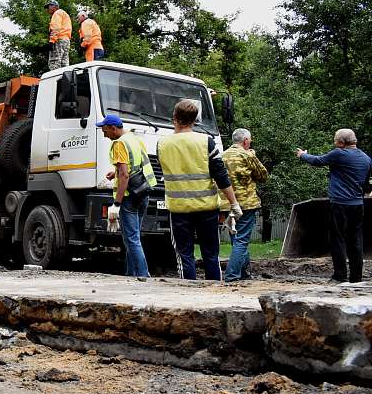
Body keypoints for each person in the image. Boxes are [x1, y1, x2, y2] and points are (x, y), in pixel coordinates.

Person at [157, 100, 242, 280]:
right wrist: (234, 203)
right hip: (207, 209)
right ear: (195, 120)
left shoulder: (162, 145)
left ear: (174, 118)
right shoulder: (206, 142)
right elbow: (221, 176)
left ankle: (188, 295)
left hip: (179, 209)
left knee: (184, 256)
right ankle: (215, 294)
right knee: (211, 255)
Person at [296, 128, 371, 283]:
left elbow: (317, 160)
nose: (334, 143)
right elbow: (365, 184)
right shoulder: (366, 158)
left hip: (340, 203)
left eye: (336, 140)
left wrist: (302, 155)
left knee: (338, 239)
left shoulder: (339, 154)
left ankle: (339, 276)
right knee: (356, 240)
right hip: (358, 204)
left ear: (342, 142)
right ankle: (356, 277)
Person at [99, 114, 157, 277]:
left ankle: (143, 275)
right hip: (143, 192)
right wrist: (115, 172)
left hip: (129, 197)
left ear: (113, 128)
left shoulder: (119, 144)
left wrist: (116, 204)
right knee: (133, 238)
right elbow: (135, 165)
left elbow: (125, 175)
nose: (105, 135)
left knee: (131, 239)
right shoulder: (134, 138)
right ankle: (131, 275)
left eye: (105, 131)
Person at [219, 128, 269, 282]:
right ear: (246, 141)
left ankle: (244, 273)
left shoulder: (222, 155)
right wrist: (253, 155)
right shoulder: (247, 155)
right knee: (241, 240)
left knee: (236, 238)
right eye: (250, 140)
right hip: (246, 204)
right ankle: (232, 275)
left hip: (227, 205)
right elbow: (263, 175)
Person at [45, 0, 72, 70]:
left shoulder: (57, 13)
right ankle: (65, 80)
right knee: (64, 62)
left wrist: (51, 41)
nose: (47, 9)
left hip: (59, 40)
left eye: (48, 7)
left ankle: (55, 80)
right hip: (66, 40)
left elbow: (56, 28)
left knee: (54, 61)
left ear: (54, 6)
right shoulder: (65, 14)